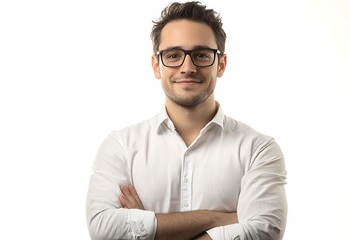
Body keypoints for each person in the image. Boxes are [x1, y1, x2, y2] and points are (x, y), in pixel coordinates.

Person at [85, 1, 287, 239]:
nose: (187, 67)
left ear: (220, 64)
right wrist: (219, 218)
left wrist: (148, 229)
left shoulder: (259, 149)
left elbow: (264, 231)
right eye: (173, 55)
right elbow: (103, 229)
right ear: (156, 66)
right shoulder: (121, 147)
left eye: (201, 55)